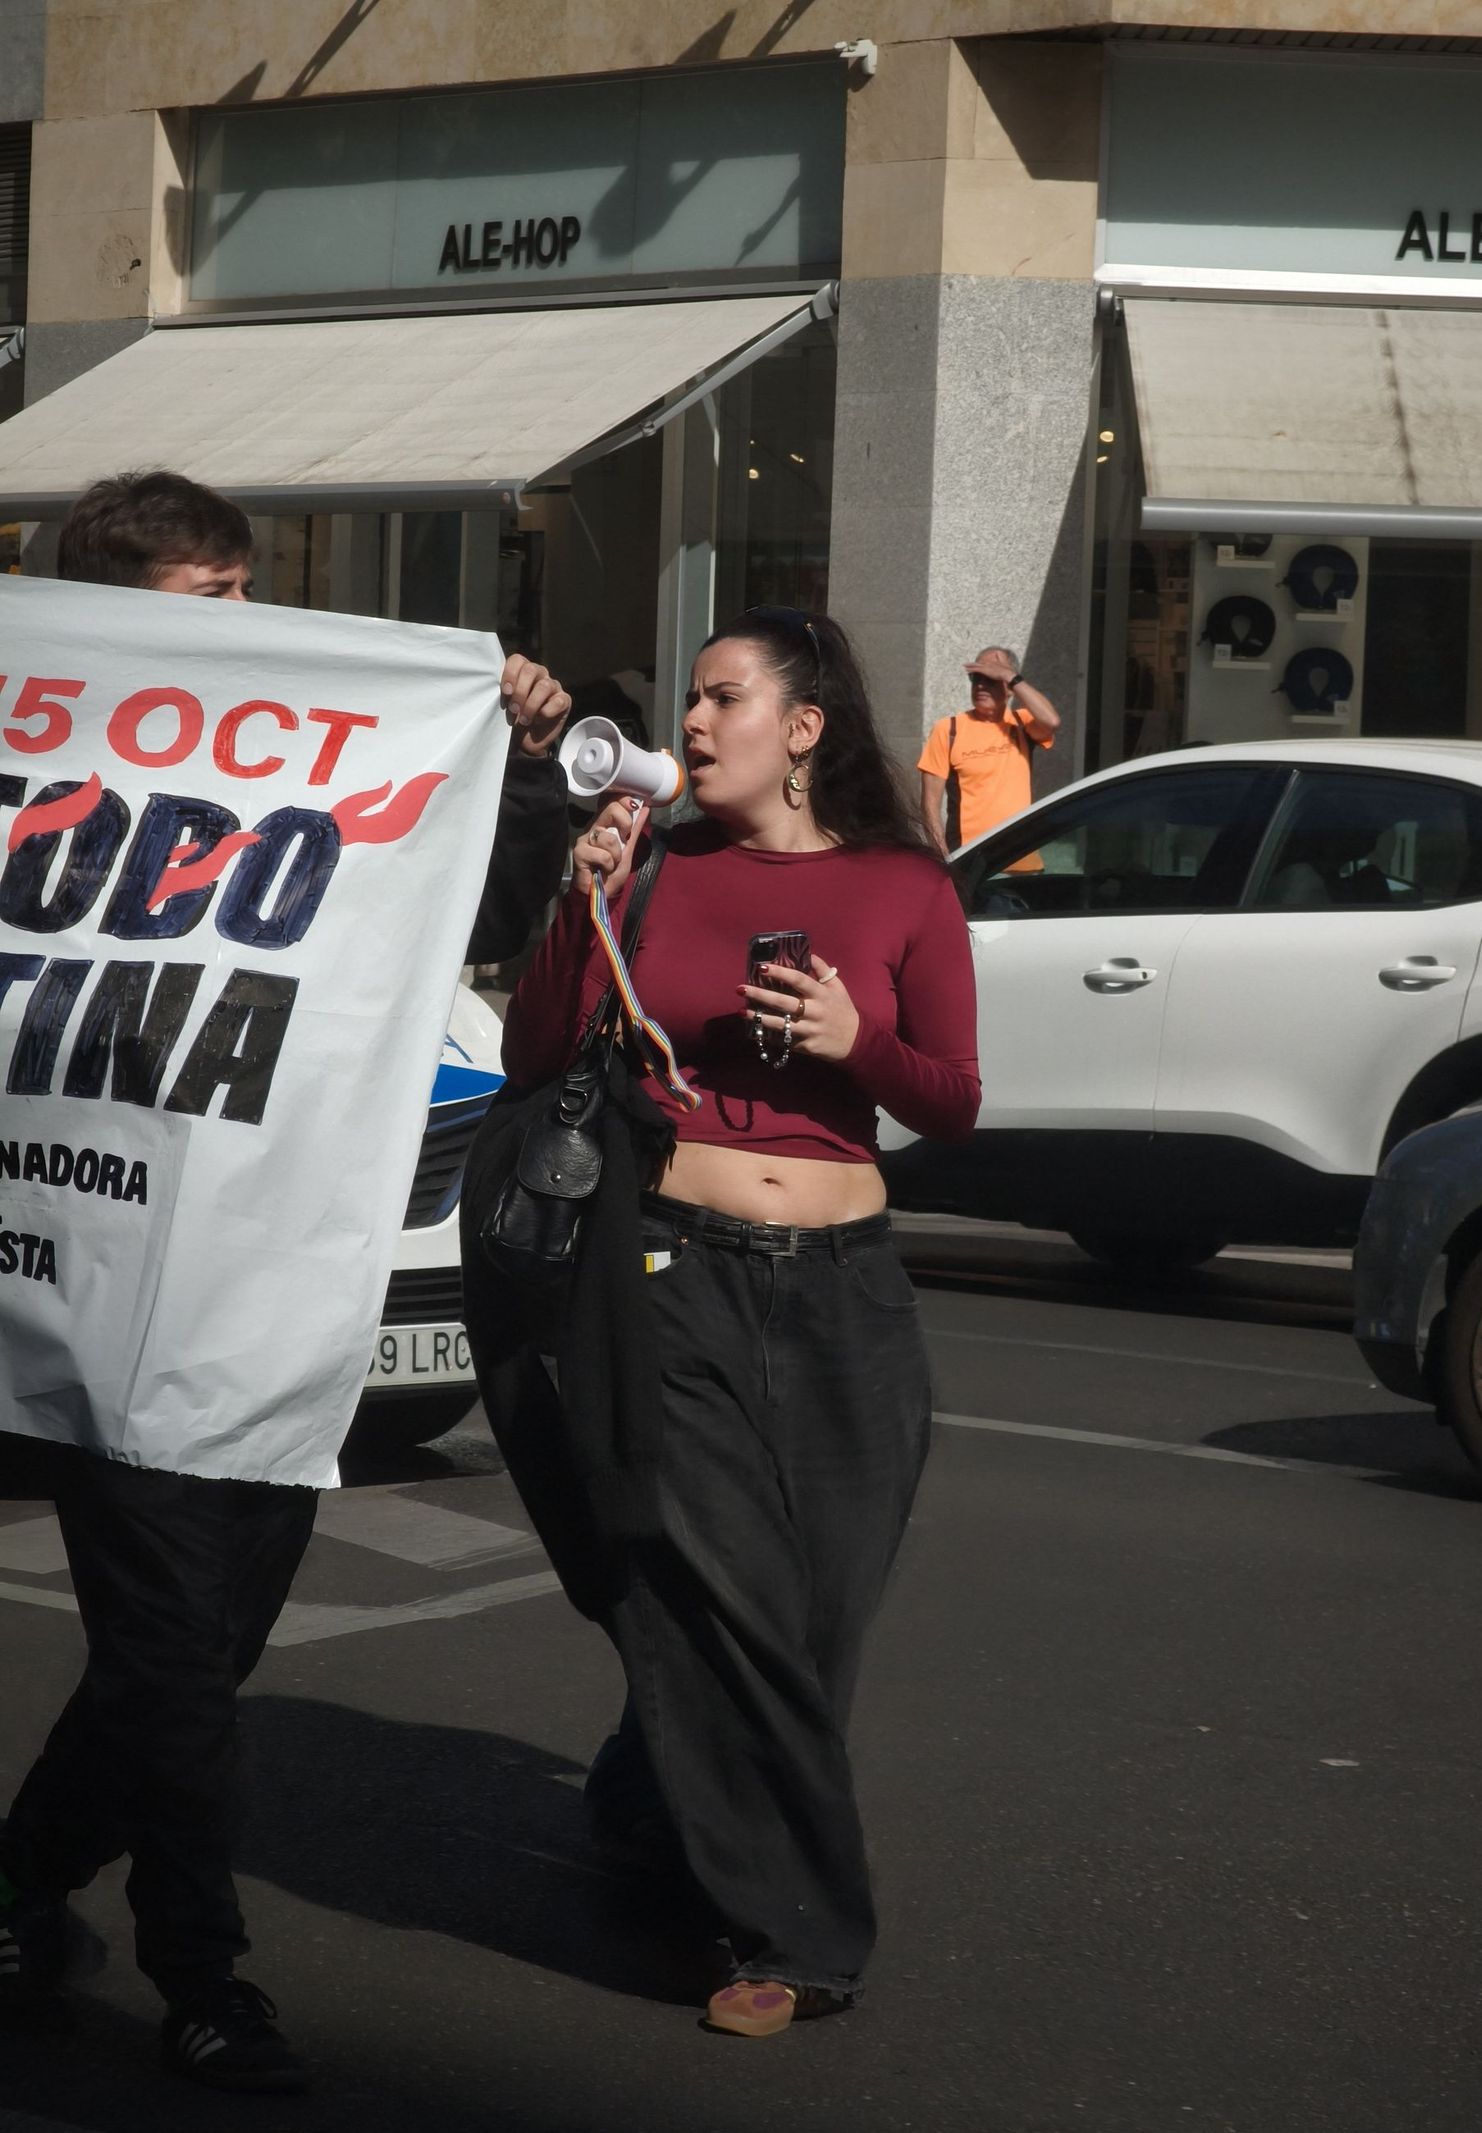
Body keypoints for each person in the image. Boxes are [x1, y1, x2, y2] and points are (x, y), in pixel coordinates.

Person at [0, 470, 572, 2089]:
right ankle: (205, 1982)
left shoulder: (314, 786)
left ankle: (22, 1873)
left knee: (194, 1656)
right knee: (179, 1673)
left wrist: (515, 764)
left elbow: (499, 910)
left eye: (254, 600)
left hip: (275, 1292)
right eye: (209, 608)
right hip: (108, 1305)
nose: (249, 637)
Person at [487, 606, 981, 2038]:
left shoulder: (904, 886)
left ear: (805, 726)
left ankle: (649, 1793)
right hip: (672, 1269)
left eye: (723, 699)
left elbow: (950, 1092)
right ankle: (793, 1929)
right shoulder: (653, 864)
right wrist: (585, 904)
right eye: (689, 702)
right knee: (728, 1592)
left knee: (816, 1615)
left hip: (849, 1291)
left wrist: (854, 1046)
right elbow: (534, 1051)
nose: (693, 724)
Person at [916, 644, 1060, 856]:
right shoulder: (949, 729)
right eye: (976, 678)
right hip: (970, 858)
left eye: (991, 678)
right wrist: (943, 857)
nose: (981, 685)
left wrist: (1009, 675)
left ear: (1009, 688)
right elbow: (930, 804)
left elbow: (1052, 720)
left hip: (1020, 857)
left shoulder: (1022, 723)